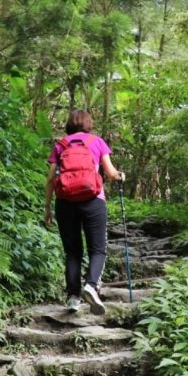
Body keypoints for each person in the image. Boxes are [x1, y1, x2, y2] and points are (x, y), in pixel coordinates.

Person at [44, 109, 125, 314]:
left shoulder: (60, 145)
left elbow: (50, 179)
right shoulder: (96, 142)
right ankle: (91, 285)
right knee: (97, 249)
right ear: (89, 123)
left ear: (69, 124)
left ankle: (73, 297)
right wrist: (120, 176)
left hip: (64, 202)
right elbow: (110, 172)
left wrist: (47, 208)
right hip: (93, 200)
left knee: (72, 252)